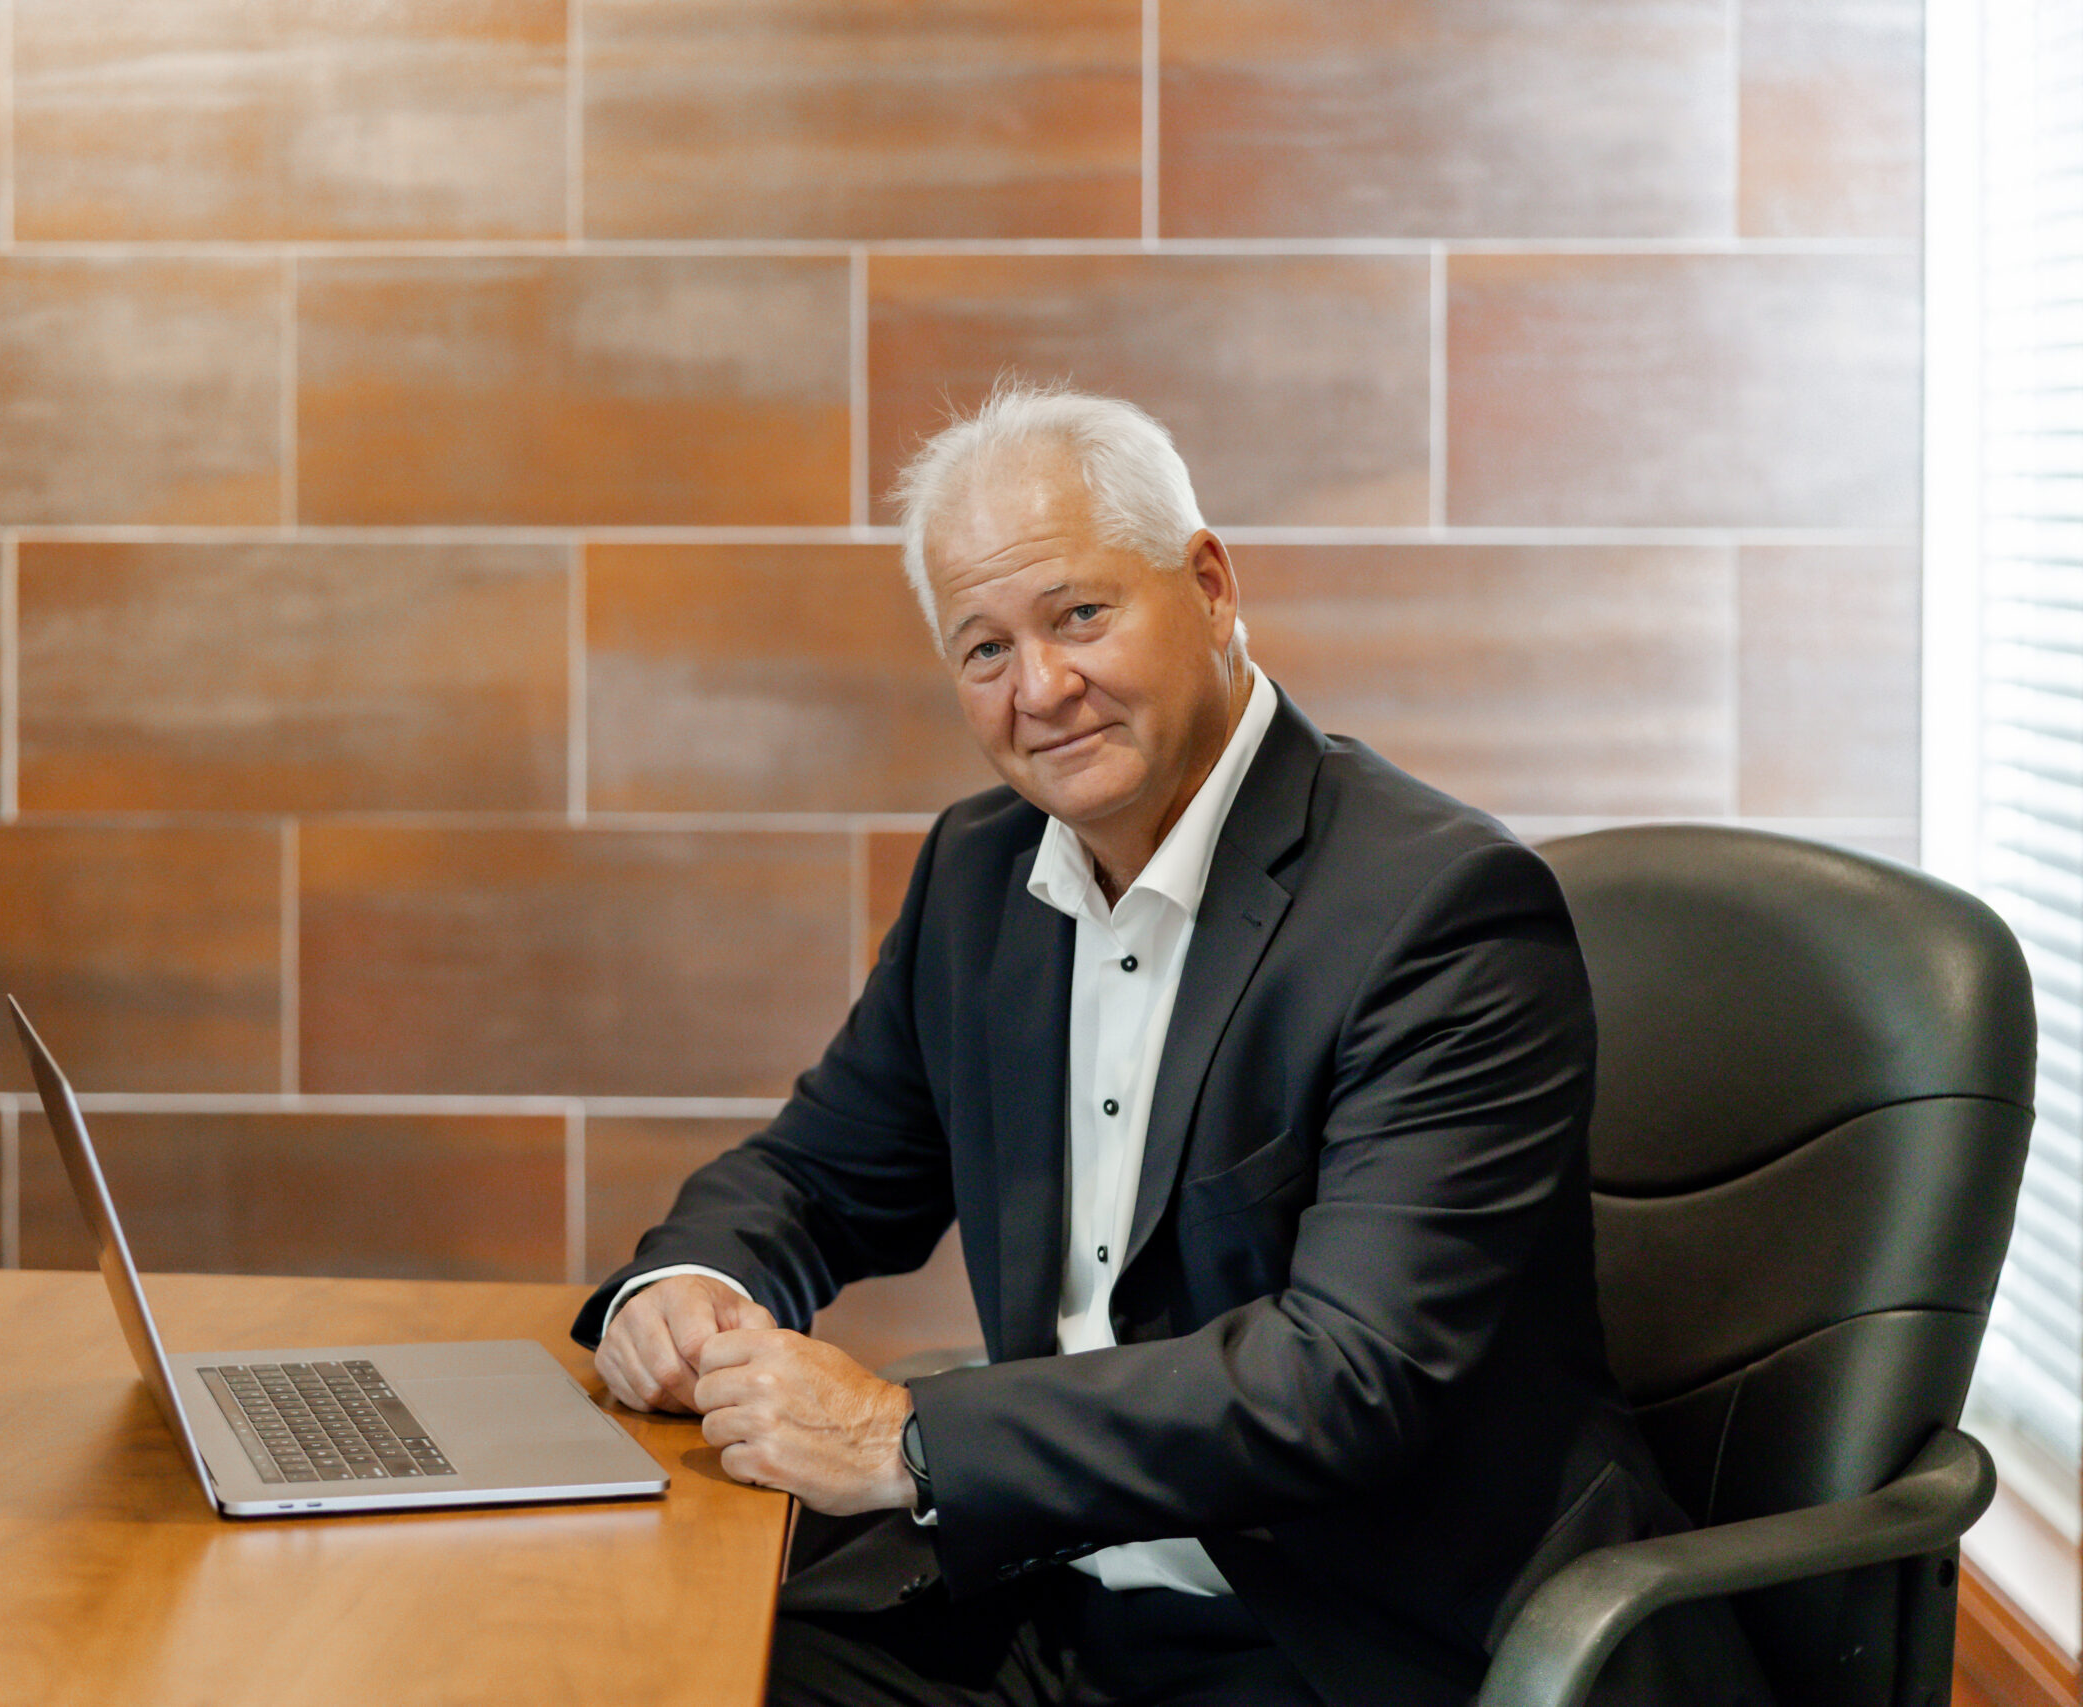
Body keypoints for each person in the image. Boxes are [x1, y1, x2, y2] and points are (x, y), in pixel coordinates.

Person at [573, 383, 1767, 1707]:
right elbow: (818, 1173)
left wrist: (905, 1439)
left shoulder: (1437, 911)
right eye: (983, 650)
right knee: (646, 1665)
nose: (1041, 688)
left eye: (1080, 614)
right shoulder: (982, 877)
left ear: (1208, 584)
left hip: (1349, 1633)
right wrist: (684, 1289)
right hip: (1049, 1581)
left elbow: (1342, 1382)